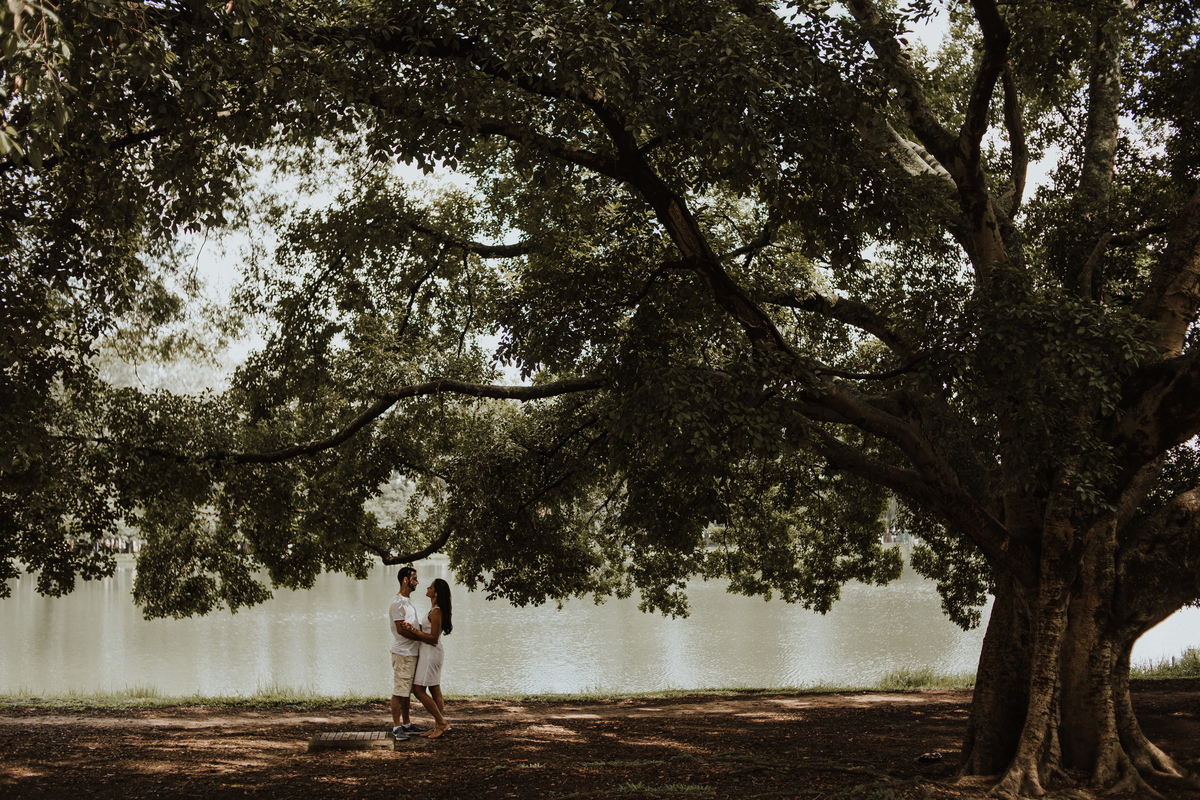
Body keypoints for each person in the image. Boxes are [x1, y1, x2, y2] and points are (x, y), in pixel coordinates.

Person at [400, 577, 453, 738]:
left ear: (436, 593)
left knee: (418, 690)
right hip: (430, 652)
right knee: (435, 690)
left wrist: (414, 631)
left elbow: (433, 638)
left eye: (430, 587)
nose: (427, 589)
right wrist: (412, 627)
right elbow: (429, 629)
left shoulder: (436, 611)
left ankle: (442, 723)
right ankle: (437, 727)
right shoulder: (434, 610)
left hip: (430, 653)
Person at [388, 566, 425, 740]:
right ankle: (396, 728)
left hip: (411, 652)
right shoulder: (398, 603)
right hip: (403, 653)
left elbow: (411, 625)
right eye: (414, 578)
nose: (417, 582)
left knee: (406, 691)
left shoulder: (407, 601)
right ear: (405, 580)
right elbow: (401, 629)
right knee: (399, 691)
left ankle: (407, 724)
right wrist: (422, 637)